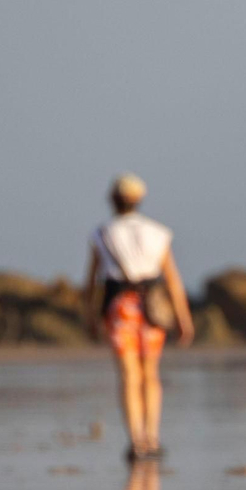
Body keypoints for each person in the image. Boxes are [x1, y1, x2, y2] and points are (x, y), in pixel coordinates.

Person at [85, 174, 195, 461]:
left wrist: (90, 317)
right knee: (150, 374)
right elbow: (172, 279)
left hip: (120, 307)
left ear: (112, 199)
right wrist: (184, 318)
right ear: (140, 199)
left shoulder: (102, 233)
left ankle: (136, 441)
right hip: (152, 308)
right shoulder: (158, 232)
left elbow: (92, 282)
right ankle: (152, 438)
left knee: (129, 375)